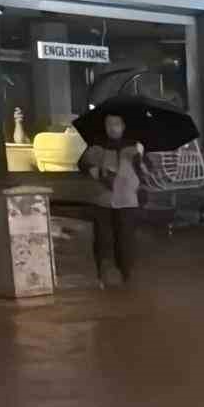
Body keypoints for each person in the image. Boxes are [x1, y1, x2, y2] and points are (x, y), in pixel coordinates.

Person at [78, 113, 142, 287]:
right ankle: (102, 274)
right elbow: (84, 164)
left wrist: (139, 161)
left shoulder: (133, 147)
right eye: (109, 124)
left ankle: (126, 273)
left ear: (123, 126)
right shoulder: (97, 146)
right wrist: (95, 170)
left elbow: (143, 172)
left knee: (125, 238)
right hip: (103, 199)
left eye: (117, 124)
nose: (113, 127)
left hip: (127, 199)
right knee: (103, 238)